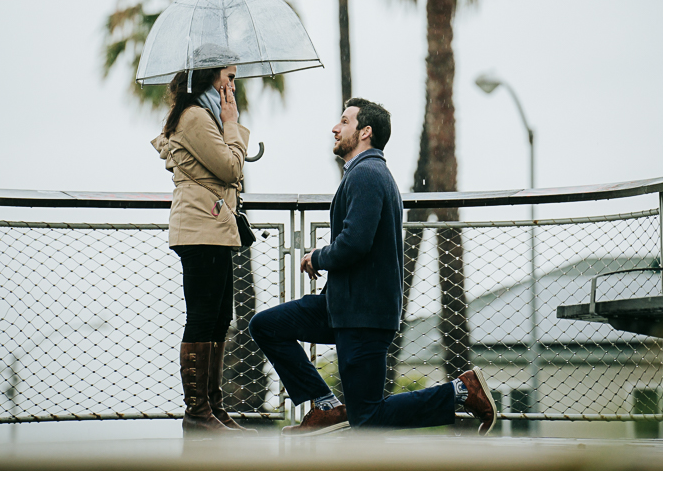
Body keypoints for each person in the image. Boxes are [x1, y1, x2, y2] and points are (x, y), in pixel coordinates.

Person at [249, 98, 497, 435]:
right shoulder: (365, 173)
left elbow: (355, 243)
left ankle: (462, 391)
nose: (335, 128)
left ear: (365, 132)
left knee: (368, 416)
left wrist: (317, 257)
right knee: (266, 325)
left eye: (345, 122)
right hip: (342, 305)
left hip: (363, 315)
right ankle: (326, 405)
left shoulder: (367, 174)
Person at [151, 63, 251, 434]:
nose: (233, 86)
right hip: (199, 230)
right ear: (211, 77)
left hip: (214, 228)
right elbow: (230, 169)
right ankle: (197, 412)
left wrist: (226, 123)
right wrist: (232, 123)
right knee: (203, 317)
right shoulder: (195, 117)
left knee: (220, 316)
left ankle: (213, 407)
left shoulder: (201, 115)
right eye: (230, 77)